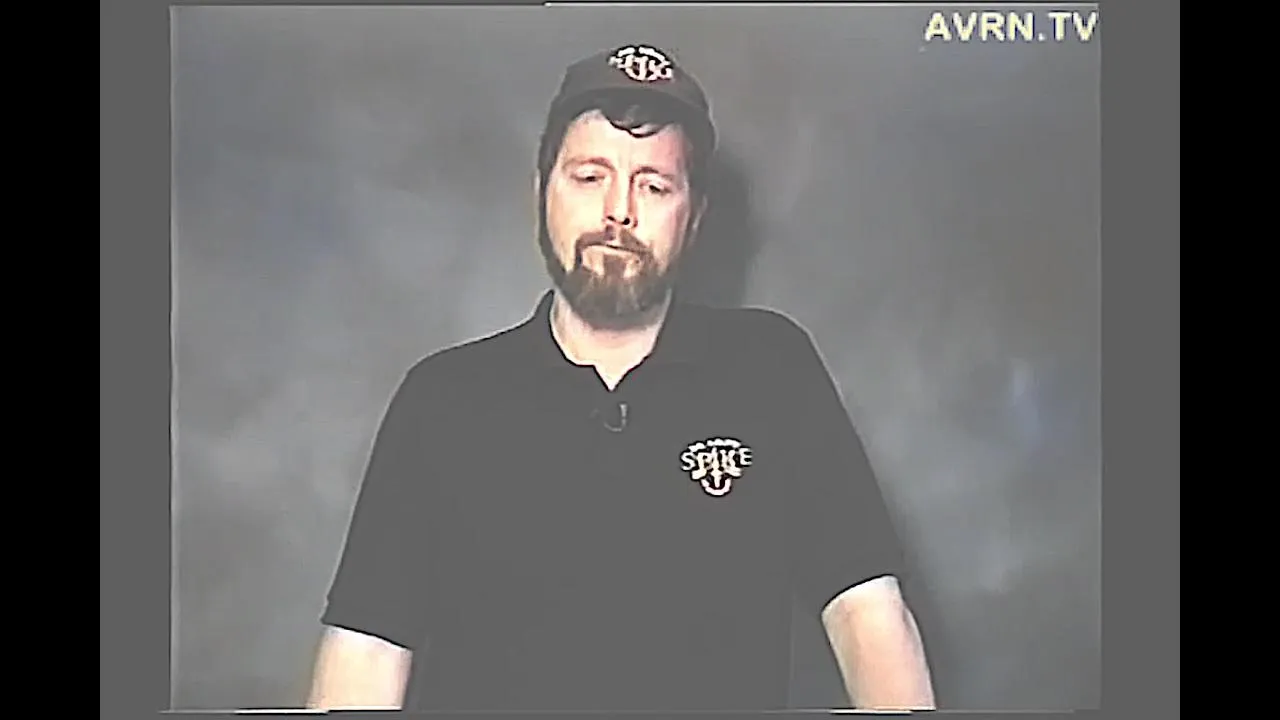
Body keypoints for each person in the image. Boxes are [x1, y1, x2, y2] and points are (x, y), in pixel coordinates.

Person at [305, 43, 936, 712]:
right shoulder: (442, 401)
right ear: (541, 192)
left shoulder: (773, 371)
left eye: (653, 185)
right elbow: (367, 650)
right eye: (589, 177)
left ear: (694, 216)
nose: (618, 211)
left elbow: (866, 610)